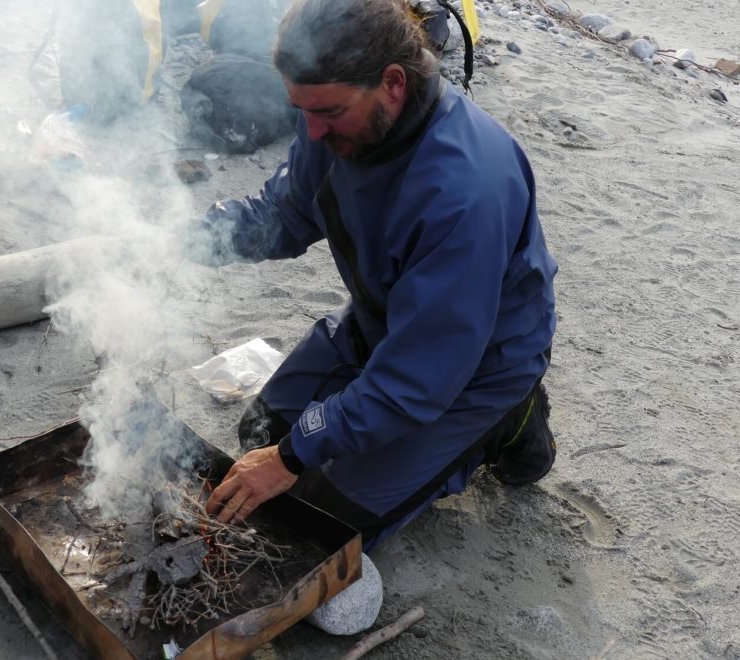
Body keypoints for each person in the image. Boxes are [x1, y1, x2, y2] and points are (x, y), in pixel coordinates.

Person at [199, 0, 558, 552]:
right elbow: (284, 215)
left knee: (318, 516)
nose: (311, 131)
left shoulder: (464, 191)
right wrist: (182, 238)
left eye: (328, 112)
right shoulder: (332, 117)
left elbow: (417, 377)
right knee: (259, 434)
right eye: (301, 109)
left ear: (392, 83)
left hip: (472, 365)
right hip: (384, 321)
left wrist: (291, 457)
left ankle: (509, 419)